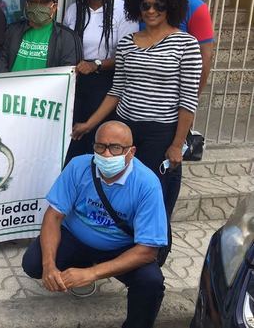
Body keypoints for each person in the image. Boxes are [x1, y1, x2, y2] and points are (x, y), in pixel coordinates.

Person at [71, 0, 202, 220]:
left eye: (158, 6)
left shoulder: (187, 44)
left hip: (160, 134)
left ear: (170, 7)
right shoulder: (126, 44)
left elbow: (188, 100)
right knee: (119, 190)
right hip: (125, 130)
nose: (151, 11)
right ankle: (119, 242)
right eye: (145, 6)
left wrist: (176, 144)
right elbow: (116, 91)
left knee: (153, 195)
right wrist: (90, 124)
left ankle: (151, 250)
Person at [22, 121, 167, 328]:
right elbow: (53, 216)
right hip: (76, 237)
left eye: (116, 148)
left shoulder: (147, 184)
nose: (107, 154)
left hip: (119, 247)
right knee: (33, 263)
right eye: (101, 146)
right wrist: (49, 266)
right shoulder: (78, 166)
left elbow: (147, 250)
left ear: (131, 152)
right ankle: (79, 266)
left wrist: (92, 274)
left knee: (151, 283)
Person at [64, 0, 139, 162]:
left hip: (105, 84)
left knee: (97, 139)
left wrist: (96, 64)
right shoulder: (74, 10)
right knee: (72, 140)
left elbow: (126, 55)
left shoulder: (123, 11)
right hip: (76, 83)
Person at [144, 0, 214, 93]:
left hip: (172, 103)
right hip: (136, 99)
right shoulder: (140, 5)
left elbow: (205, 58)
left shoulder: (195, 7)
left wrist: (190, 103)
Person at [0, 0, 81, 72]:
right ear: (27, 5)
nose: (37, 6)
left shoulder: (66, 37)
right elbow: (2, 63)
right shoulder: (12, 31)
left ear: (54, 7)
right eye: (33, 2)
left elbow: (66, 73)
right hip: (11, 85)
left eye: (43, 2)